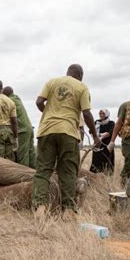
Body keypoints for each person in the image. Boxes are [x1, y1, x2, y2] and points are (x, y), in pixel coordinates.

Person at [33, 64, 100, 217]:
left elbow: (38, 102)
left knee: (43, 170)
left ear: (67, 72)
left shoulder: (52, 82)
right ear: (80, 75)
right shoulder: (82, 87)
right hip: (69, 132)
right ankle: (68, 209)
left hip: (46, 131)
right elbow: (87, 113)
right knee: (69, 172)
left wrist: (50, 112)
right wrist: (95, 135)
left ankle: (40, 208)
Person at [2, 86, 36, 168]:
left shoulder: (10, 101)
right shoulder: (17, 98)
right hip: (29, 128)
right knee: (31, 153)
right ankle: (34, 172)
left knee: (22, 154)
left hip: (22, 130)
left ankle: (24, 175)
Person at [90, 109, 115, 174]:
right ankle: (95, 178)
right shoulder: (96, 122)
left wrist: (99, 136)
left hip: (107, 146)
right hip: (97, 145)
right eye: (100, 113)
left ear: (107, 114)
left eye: (103, 113)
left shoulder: (111, 123)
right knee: (96, 162)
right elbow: (91, 131)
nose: (101, 115)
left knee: (107, 162)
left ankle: (107, 179)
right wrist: (96, 138)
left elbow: (109, 133)